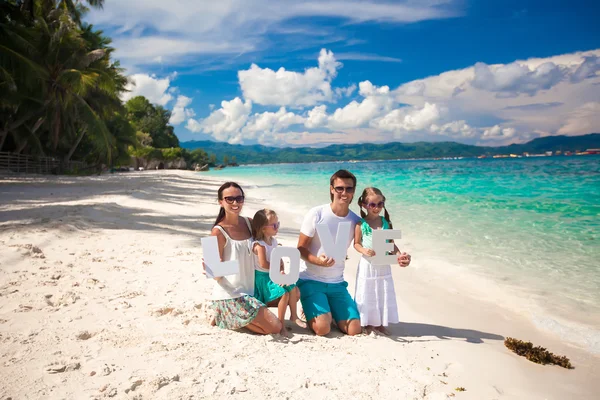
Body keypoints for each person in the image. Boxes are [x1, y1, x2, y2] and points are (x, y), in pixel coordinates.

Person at [205, 182, 282, 335]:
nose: (235, 203)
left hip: (252, 289)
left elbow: (267, 240)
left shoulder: (250, 222)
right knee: (275, 327)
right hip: (231, 294)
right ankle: (224, 316)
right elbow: (214, 275)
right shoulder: (216, 232)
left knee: (292, 293)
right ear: (221, 202)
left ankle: (240, 315)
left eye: (239, 198)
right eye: (229, 199)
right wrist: (212, 268)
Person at [296, 170, 362, 336]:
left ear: (354, 191)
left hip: (337, 283)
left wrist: (398, 256)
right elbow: (301, 249)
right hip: (310, 280)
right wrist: (318, 261)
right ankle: (311, 307)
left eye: (349, 188)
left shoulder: (355, 221)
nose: (344, 193)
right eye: (339, 188)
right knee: (322, 329)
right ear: (332, 189)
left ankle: (328, 308)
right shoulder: (316, 214)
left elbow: (370, 246)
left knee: (354, 330)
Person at [353, 187, 411, 335]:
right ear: (364, 205)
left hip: (383, 265)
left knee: (381, 291)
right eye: (372, 204)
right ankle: (367, 322)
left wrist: (399, 255)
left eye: (380, 204)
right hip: (368, 264)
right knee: (368, 292)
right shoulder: (361, 224)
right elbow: (356, 244)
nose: (377, 208)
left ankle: (379, 323)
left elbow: (390, 243)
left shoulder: (385, 222)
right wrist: (365, 251)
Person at [251, 209, 307, 336]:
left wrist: (281, 269)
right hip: (263, 279)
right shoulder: (259, 245)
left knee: (292, 286)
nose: (277, 227)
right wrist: (277, 268)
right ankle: (281, 325)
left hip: (273, 274)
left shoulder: (274, 241)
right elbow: (263, 264)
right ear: (263, 228)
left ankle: (294, 316)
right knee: (284, 294)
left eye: (278, 224)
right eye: (274, 225)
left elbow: (278, 259)